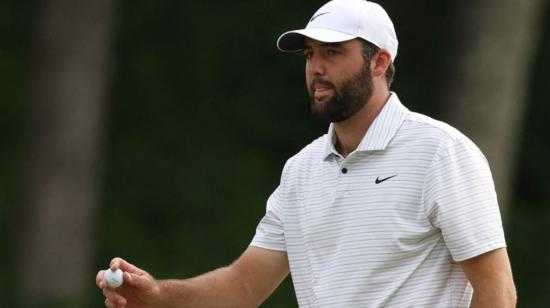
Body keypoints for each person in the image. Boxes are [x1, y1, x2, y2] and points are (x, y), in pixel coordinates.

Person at [96, 0, 517, 307]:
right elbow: (242, 286)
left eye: (333, 53)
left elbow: (497, 293)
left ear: (378, 62)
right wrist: (157, 295)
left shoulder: (440, 153)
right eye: (310, 54)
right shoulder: (301, 171)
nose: (316, 68)